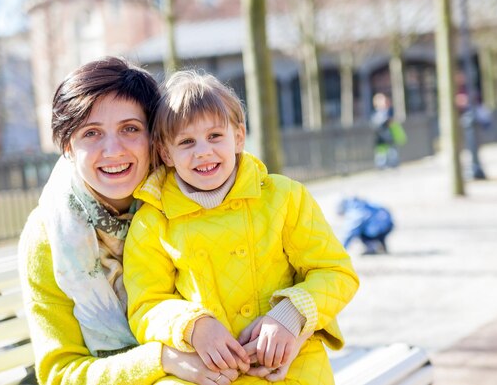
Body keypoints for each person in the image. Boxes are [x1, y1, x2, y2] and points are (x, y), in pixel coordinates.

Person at [123, 70, 360, 384]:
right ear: (166, 153)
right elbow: (146, 305)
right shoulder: (153, 223)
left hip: (293, 366)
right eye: (186, 142)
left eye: (215, 136)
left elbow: (336, 272)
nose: (203, 151)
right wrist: (192, 326)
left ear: (239, 136)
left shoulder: (285, 197)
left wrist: (291, 316)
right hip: (211, 372)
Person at [18, 57, 240, 385]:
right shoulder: (48, 236)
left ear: (156, 139)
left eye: (130, 129)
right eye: (91, 133)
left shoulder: (197, 194)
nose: (113, 149)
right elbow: (60, 373)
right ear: (68, 146)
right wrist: (163, 359)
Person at [371, 92, 404, 169]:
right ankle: (381, 165)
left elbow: (393, 122)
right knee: (381, 152)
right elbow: (375, 124)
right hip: (380, 137)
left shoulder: (389, 112)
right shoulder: (375, 114)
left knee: (392, 151)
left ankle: (393, 164)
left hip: (389, 136)